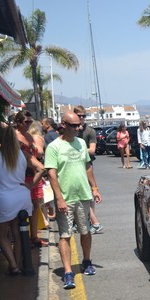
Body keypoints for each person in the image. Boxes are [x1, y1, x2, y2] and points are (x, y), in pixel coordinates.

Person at [44, 111, 102, 289]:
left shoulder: (81, 143)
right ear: (63, 125)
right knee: (65, 235)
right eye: (74, 125)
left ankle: (86, 261)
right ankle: (68, 272)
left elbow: (87, 166)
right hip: (66, 199)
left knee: (86, 231)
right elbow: (52, 174)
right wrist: (59, 198)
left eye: (80, 125)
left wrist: (94, 188)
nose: (78, 128)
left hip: (83, 195)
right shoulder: (54, 147)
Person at [0, 124, 45, 275]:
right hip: (22, 195)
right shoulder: (23, 154)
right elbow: (41, 168)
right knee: (19, 233)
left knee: (1, 235)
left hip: (4, 197)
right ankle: (17, 263)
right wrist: (31, 185)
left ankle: (13, 265)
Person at [14, 110, 47, 248]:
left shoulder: (29, 136)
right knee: (21, 209)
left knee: (35, 206)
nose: (29, 124)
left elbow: (38, 153)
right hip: (19, 176)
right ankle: (23, 238)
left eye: (30, 122)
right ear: (19, 122)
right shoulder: (13, 136)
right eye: (26, 122)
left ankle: (34, 236)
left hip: (33, 175)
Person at [73, 105, 103, 234]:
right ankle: (80, 221)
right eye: (79, 116)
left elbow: (92, 150)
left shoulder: (90, 131)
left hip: (87, 164)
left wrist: (75, 150)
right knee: (76, 193)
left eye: (83, 116)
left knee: (88, 194)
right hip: (72, 165)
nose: (81, 118)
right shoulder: (69, 130)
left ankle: (92, 222)